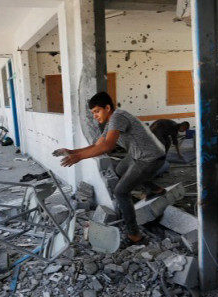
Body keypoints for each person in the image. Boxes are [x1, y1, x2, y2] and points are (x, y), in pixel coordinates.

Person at [55, 92, 166, 245]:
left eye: (96, 111)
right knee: (120, 171)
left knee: (121, 191)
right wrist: (73, 152)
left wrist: (79, 157)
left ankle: (135, 235)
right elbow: (98, 145)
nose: (94, 115)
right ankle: (156, 189)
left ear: (107, 108)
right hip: (138, 154)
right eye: (93, 112)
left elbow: (107, 147)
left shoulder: (118, 117)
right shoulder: (110, 123)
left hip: (150, 157)